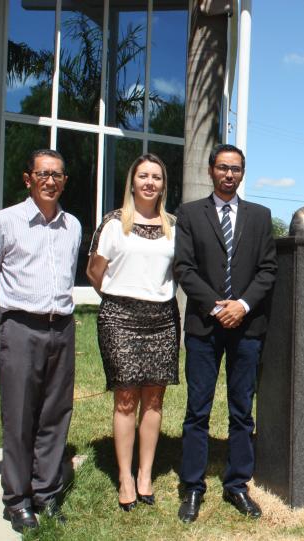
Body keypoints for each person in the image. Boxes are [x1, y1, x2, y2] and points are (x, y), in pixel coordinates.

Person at [0, 149, 82, 532]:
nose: (50, 181)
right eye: (43, 174)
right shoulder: (5, 221)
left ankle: (46, 493)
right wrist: (7, 317)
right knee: (19, 417)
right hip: (20, 328)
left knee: (55, 414)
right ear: (28, 179)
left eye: (57, 175)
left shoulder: (73, 226)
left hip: (62, 328)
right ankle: (17, 501)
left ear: (64, 181)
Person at [174, 143, 277, 523]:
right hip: (204, 326)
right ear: (210, 170)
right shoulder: (189, 214)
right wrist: (218, 307)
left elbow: (268, 269)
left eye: (235, 169)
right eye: (222, 167)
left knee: (241, 410)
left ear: (242, 173)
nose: (229, 174)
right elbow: (184, 268)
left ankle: (237, 484)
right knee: (197, 410)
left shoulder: (260, 216)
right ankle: (193, 486)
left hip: (247, 327)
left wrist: (242, 305)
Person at [86, 154, 179, 511]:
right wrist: (119, 300)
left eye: (157, 177)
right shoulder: (113, 223)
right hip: (119, 319)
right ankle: (125, 477)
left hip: (162, 320)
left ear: (163, 185)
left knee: (154, 399)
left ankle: (145, 474)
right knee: (125, 398)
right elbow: (94, 272)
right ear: (133, 181)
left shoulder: (173, 226)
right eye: (143, 176)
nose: (150, 182)